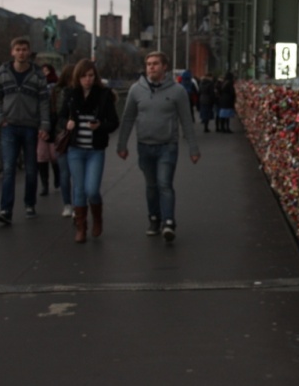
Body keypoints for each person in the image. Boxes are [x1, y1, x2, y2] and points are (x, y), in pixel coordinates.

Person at [117, 51, 200, 242]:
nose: (151, 67)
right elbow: (128, 118)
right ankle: (154, 218)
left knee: (164, 184)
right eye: (148, 64)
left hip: (167, 145)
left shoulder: (177, 91)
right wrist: (122, 145)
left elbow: (186, 121)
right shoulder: (136, 90)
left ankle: (168, 222)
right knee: (151, 186)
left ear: (164, 67)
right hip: (144, 145)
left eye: (155, 64)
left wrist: (193, 148)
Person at [0, 37, 50, 224]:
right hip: (9, 126)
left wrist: (44, 125)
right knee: (9, 168)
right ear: (12, 52)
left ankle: (29, 204)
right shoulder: (3, 71)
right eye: (18, 49)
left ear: (29, 52)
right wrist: (0, 117)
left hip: (30, 126)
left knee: (31, 168)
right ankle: (6, 210)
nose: (21, 53)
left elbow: (44, 101)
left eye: (24, 49)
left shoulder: (37, 74)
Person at [60, 59, 119, 243]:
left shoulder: (104, 95)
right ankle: (81, 227)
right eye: (84, 76)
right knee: (79, 189)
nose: (88, 79)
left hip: (95, 150)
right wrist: (67, 123)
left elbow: (114, 122)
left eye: (91, 76)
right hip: (75, 149)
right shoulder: (70, 94)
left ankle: (97, 218)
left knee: (92, 189)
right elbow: (60, 117)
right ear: (77, 77)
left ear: (95, 77)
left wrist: (100, 125)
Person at [52, 64, 75, 217]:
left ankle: (69, 205)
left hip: (62, 136)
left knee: (66, 173)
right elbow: (58, 114)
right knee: (68, 173)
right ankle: (70, 204)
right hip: (65, 135)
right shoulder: (63, 93)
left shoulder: (57, 91)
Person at [37, 64, 60, 196]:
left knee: (53, 155)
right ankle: (44, 184)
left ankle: (57, 177)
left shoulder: (56, 87)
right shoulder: (38, 86)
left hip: (53, 123)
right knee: (42, 156)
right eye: (43, 71)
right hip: (40, 124)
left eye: (46, 71)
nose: (44, 73)